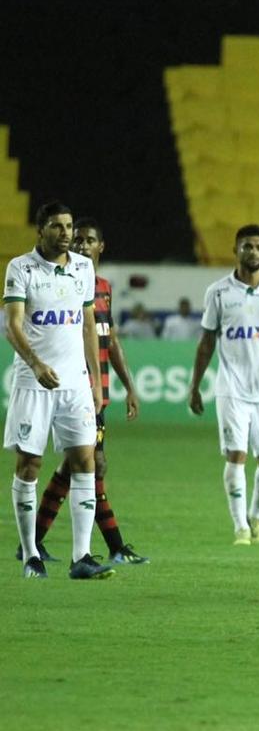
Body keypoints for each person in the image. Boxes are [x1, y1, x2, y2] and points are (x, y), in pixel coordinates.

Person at [20, 218, 148, 565]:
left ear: (100, 247)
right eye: (77, 240)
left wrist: (129, 387)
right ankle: (115, 546)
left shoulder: (100, 286)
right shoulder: (62, 286)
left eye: (89, 240)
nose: (81, 245)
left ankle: (34, 542)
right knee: (92, 465)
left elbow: (110, 339)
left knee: (75, 467)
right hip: (73, 390)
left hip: (97, 393)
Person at [3, 201, 113, 579]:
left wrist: (95, 382)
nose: (66, 233)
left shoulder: (83, 268)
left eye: (68, 226)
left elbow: (86, 325)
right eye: (57, 226)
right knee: (29, 464)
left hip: (75, 385)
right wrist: (35, 364)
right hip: (33, 383)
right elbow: (12, 325)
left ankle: (81, 557)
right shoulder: (21, 268)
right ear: (41, 230)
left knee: (84, 460)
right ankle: (31, 553)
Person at [187, 224, 259, 546]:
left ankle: (257, 516)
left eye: (258, 247)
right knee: (235, 455)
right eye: (247, 246)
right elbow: (206, 343)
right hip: (232, 389)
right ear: (235, 250)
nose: (253, 252)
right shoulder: (218, 292)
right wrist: (195, 385)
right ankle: (240, 527)